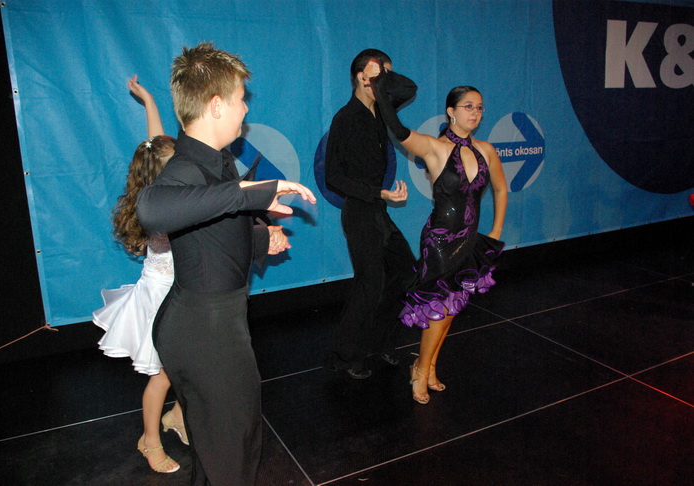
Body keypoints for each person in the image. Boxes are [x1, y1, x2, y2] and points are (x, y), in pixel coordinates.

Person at [135, 42, 316, 486]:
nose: (245, 109)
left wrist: (260, 237)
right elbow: (152, 209)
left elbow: (212, 232)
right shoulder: (185, 167)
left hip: (212, 323)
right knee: (231, 455)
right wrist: (250, 193)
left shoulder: (217, 163)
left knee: (227, 448)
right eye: (240, 99)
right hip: (204, 331)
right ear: (216, 106)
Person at [372, 72, 508, 404]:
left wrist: (496, 231)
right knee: (439, 310)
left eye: (479, 108)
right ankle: (420, 371)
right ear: (451, 111)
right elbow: (398, 130)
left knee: (451, 310)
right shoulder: (436, 148)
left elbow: (501, 189)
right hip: (440, 242)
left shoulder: (487, 150)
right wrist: (380, 89)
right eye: (468, 106)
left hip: (470, 240)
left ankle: (429, 366)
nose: (475, 113)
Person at [92, 76, 187, 474]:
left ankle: (176, 417)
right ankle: (150, 440)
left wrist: (148, 100)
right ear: (161, 176)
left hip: (182, 293)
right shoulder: (159, 205)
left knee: (187, 365)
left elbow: (156, 142)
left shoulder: (161, 179)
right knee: (163, 375)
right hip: (159, 298)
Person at [324, 49, 417, 379]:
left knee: (405, 270)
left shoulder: (381, 110)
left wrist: (384, 77)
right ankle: (345, 355)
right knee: (370, 284)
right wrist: (377, 193)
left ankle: (380, 341)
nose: (387, 81)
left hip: (378, 211)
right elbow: (333, 176)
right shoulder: (345, 119)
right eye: (380, 74)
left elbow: (409, 88)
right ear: (362, 77)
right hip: (360, 211)